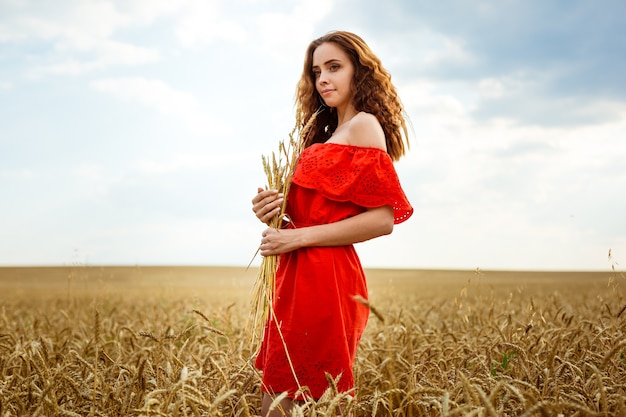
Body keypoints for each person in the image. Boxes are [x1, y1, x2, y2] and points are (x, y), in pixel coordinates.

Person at [251, 30, 413, 416]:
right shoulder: (325, 135)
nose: (323, 78)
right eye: (317, 70)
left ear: (360, 71)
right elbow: (316, 212)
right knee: (278, 396)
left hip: (326, 278)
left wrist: (298, 238)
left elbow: (382, 219)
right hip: (295, 275)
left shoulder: (364, 125)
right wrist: (275, 213)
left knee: (305, 400)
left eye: (334, 67)